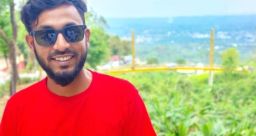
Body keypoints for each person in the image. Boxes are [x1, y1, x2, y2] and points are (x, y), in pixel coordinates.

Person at [0, 0, 156, 135]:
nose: (61, 45)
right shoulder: (17, 110)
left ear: (86, 37)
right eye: (47, 35)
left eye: (72, 32)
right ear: (31, 43)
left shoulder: (124, 97)